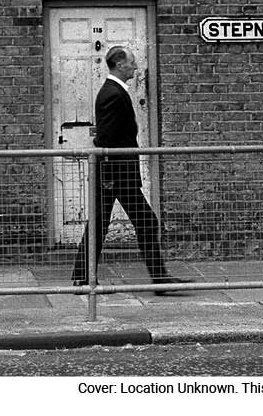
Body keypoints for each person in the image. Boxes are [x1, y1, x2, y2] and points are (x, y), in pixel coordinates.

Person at [70, 46, 188, 294]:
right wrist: (110, 175)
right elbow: (106, 138)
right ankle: (158, 279)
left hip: (116, 173)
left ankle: (83, 276)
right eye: (132, 63)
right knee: (139, 221)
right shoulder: (113, 94)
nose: (135, 67)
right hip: (116, 173)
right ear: (120, 64)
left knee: (107, 223)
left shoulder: (114, 91)